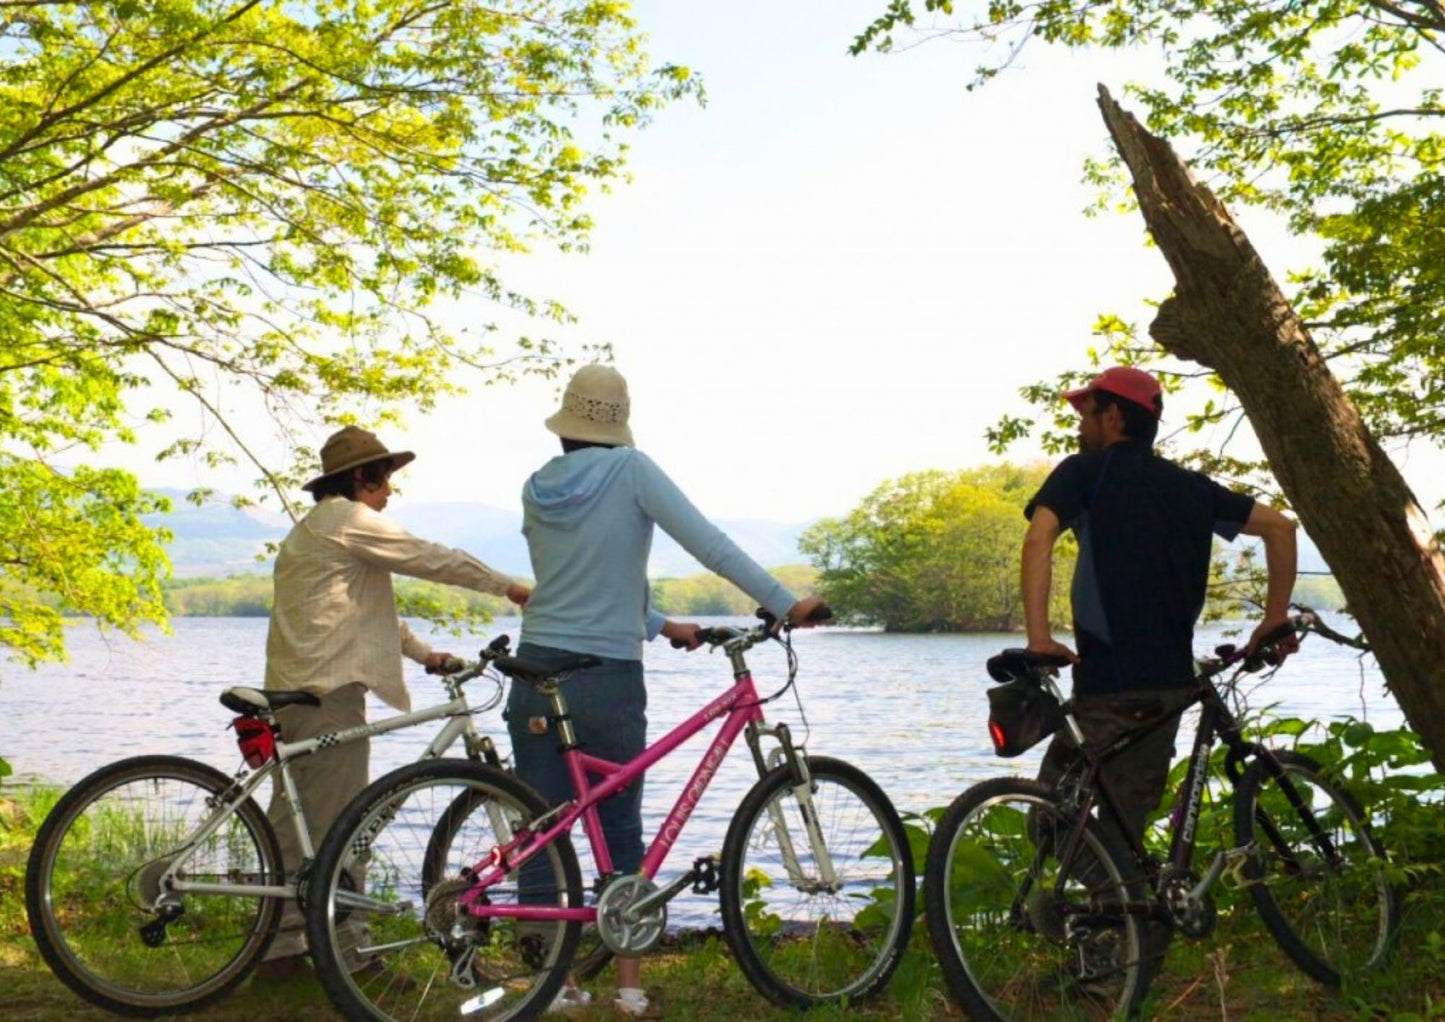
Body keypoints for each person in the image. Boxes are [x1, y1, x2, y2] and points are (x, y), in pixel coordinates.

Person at [509, 364, 825, 1018]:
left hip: (535, 669)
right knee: (619, 825)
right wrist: (783, 603)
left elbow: (575, 583)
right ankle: (628, 988)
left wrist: (660, 625)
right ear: (618, 423)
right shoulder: (632, 470)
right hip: (604, 677)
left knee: (544, 827)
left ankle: (555, 986)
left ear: (567, 426)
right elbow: (709, 544)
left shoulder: (536, 487)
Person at [1020, 365, 1298, 997]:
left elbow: (1039, 540)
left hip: (1109, 687)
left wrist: (1038, 639)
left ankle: (1117, 973)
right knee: (1077, 822)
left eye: (1087, 412)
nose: (1081, 424)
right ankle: (1116, 952)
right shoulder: (1188, 487)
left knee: (1068, 824)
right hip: (1167, 687)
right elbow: (1281, 528)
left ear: (1114, 416)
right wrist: (1273, 618)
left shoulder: (1085, 470)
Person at [258, 426, 529, 979]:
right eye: (383, 480)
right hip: (327, 694)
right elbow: (429, 557)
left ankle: (279, 950)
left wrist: (427, 656)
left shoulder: (314, 528)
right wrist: (509, 587)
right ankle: (349, 955)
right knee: (343, 826)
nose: (389, 493)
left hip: (298, 689)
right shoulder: (348, 520)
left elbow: (365, 609)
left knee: (294, 826)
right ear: (361, 478)